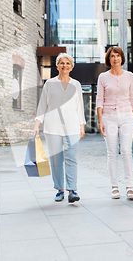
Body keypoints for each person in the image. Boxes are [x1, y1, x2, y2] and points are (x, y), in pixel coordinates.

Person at [33, 53, 86, 203]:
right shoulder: (49, 83)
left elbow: (79, 107)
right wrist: (37, 125)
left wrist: (82, 125)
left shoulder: (76, 84)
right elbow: (42, 105)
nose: (64, 65)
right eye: (61, 63)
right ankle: (60, 189)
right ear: (57, 66)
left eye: (67, 63)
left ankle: (72, 190)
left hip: (72, 127)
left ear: (71, 66)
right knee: (56, 160)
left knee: (71, 158)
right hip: (52, 127)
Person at [96, 46, 133, 200]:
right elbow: (99, 100)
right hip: (109, 117)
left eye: (118, 56)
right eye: (112, 56)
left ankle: (129, 187)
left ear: (122, 58)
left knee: (127, 152)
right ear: (108, 59)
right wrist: (100, 120)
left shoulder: (129, 76)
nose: (115, 58)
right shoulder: (103, 77)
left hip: (127, 116)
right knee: (112, 153)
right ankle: (114, 187)